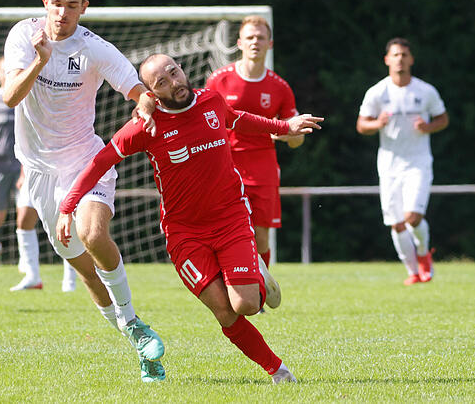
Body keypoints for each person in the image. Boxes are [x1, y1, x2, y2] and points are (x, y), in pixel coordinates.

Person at [57, 54, 323, 384]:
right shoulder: (144, 127)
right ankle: (278, 371)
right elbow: (100, 163)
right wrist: (69, 206)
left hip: (230, 221)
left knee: (246, 306)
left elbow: (237, 119)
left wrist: (284, 127)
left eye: (175, 72)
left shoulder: (211, 100)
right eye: (162, 82)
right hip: (185, 234)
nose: (174, 82)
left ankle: (254, 272)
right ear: (151, 94)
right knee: (223, 311)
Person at [2, 0, 165, 382]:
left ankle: (135, 324)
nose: (63, 12)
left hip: (85, 161)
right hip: (39, 171)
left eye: (72, 5)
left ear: (84, 7)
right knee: (83, 268)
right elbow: (9, 97)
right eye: (56, 4)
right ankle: (136, 340)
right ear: (44, 3)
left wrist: (144, 106)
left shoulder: (94, 48)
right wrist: (41, 60)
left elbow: (138, 91)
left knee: (94, 236)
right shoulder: (24, 36)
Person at [206, 15, 305, 293]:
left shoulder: (279, 87)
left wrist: (286, 134)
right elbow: (203, 121)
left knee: (261, 237)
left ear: (269, 44)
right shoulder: (219, 80)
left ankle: (259, 291)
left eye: (260, 37)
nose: (255, 42)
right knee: (227, 233)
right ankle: (228, 287)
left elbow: (296, 140)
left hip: (262, 169)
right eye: (249, 37)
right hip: (225, 169)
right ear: (239, 43)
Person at [357, 38, 449, 285]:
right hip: (389, 165)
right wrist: (378, 123)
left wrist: (427, 126)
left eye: (404, 55)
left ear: (411, 59)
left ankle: (422, 255)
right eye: (395, 55)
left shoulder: (425, 91)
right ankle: (413, 273)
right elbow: (361, 124)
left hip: (418, 162)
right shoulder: (378, 92)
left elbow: (443, 119)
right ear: (387, 59)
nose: (400, 59)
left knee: (413, 217)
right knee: (396, 224)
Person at [0, 56, 77, 292]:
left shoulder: (35, 97)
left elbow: (39, 135)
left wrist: (26, 167)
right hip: (12, 168)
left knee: (59, 222)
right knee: (21, 219)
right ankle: (32, 276)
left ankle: (71, 279)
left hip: (44, 167)